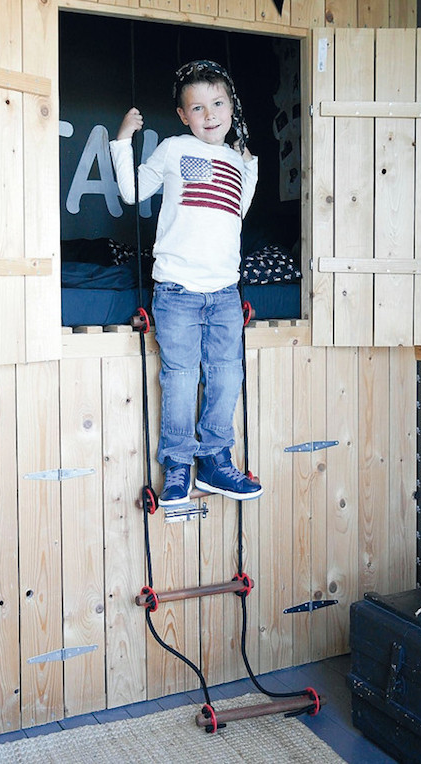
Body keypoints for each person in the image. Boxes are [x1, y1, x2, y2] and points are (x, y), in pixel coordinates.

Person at [110, 60, 263, 507]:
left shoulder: (237, 158)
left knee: (227, 373)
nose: (210, 114)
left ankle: (215, 460)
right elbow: (132, 191)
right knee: (179, 378)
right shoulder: (176, 149)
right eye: (198, 108)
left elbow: (237, 214)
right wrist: (123, 141)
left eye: (218, 104)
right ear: (183, 116)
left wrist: (249, 167)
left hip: (223, 292)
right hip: (177, 289)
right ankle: (178, 467)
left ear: (231, 107)